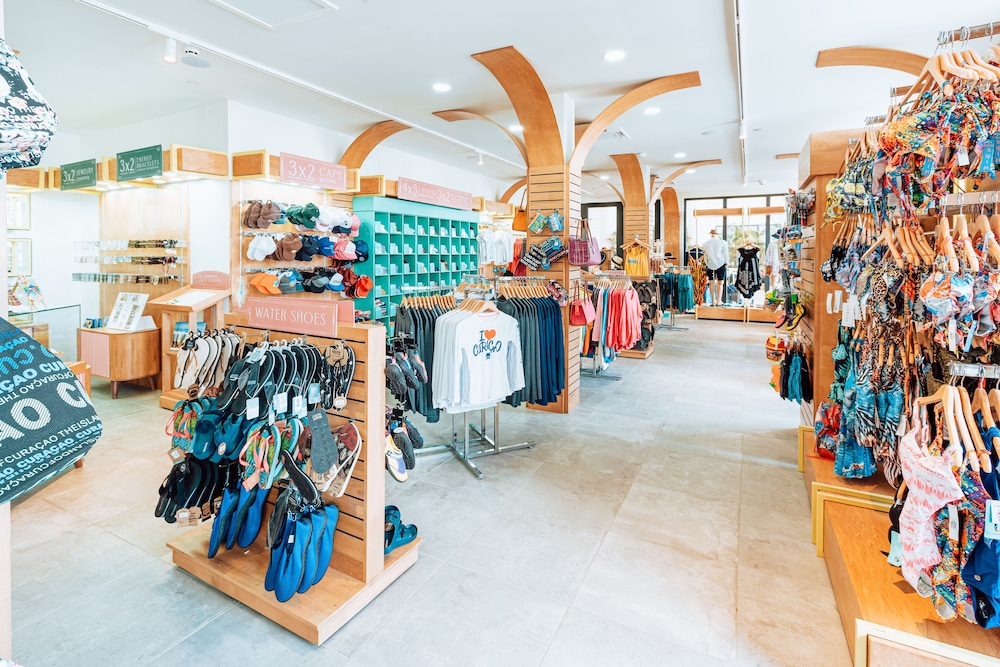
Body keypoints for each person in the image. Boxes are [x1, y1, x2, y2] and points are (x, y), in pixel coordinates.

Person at [702, 229, 729, 305]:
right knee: (720, 282)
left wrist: (706, 263)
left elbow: (705, 256)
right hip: (721, 263)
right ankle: (718, 300)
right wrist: (727, 262)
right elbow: (725, 253)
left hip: (710, 264)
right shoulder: (723, 242)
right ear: (717, 234)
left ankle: (713, 300)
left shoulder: (705, 244)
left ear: (710, 234)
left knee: (711, 283)